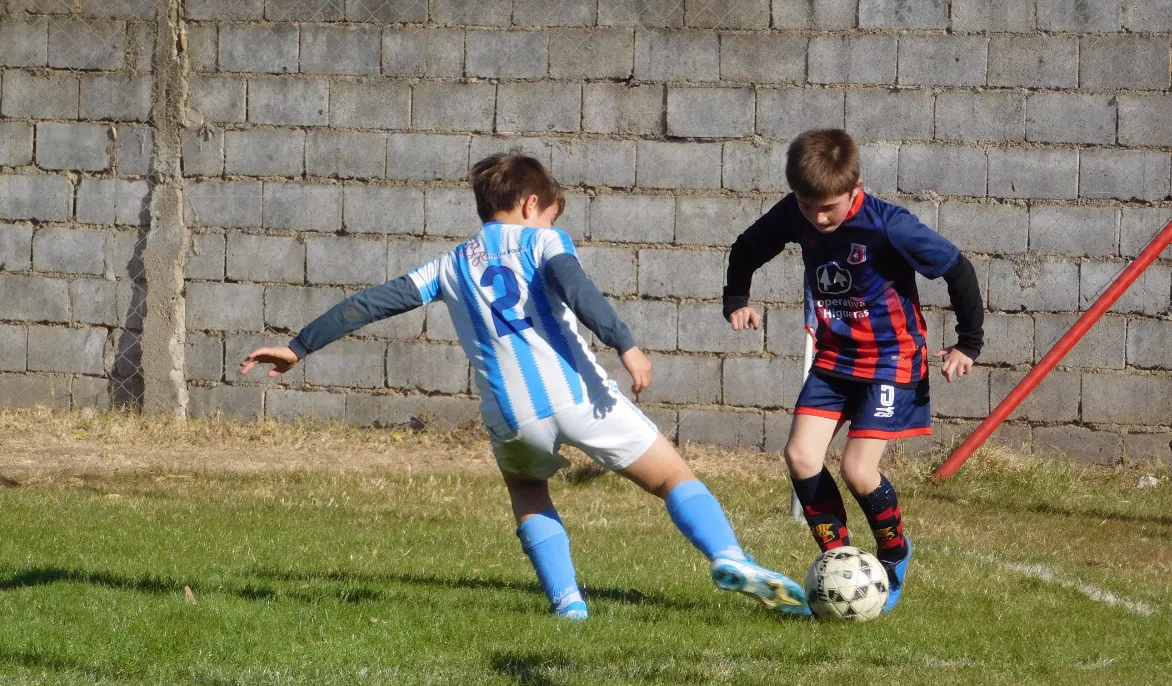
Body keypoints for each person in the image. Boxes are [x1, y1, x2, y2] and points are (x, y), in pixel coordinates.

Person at [242, 152, 808, 617]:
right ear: (532, 204)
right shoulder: (544, 244)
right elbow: (576, 287)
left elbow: (370, 303)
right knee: (670, 476)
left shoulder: (446, 265)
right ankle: (729, 556)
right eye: (552, 216)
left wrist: (298, 346)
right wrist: (625, 342)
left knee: (529, 493)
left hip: (511, 412)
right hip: (579, 394)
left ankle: (568, 603)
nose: (553, 227)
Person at [723, 129, 984, 613]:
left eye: (829, 208)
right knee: (801, 456)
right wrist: (736, 300)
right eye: (807, 206)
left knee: (857, 469)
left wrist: (967, 344)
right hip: (834, 359)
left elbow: (958, 268)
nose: (818, 218)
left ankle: (893, 552)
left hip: (891, 359)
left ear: (855, 187)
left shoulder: (890, 225)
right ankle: (841, 567)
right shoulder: (794, 213)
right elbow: (746, 247)